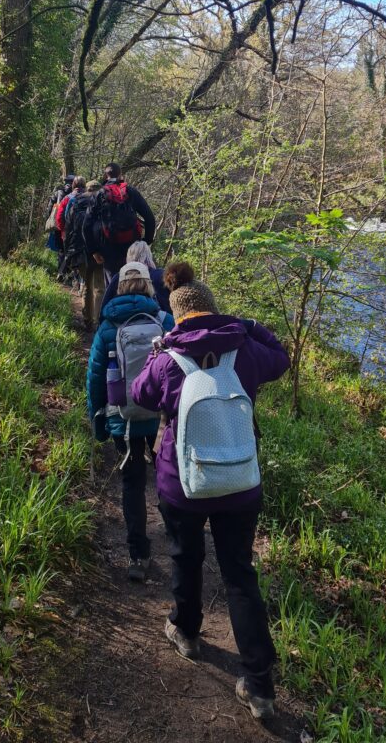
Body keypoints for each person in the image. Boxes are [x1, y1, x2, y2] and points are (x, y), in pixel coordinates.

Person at [132, 261, 290, 720]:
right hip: (240, 482)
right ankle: (259, 685)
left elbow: (142, 394)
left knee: (185, 555)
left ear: (177, 316)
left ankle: (186, 630)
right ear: (216, 310)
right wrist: (251, 325)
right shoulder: (245, 351)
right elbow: (279, 356)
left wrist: (157, 353)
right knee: (240, 574)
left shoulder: (167, 358)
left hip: (182, 482)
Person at [86, 262, 174, 581]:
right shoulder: (165, 321)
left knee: (132, 484)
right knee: (166, 475)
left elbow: (96, 378)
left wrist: (98, 423)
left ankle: (139, 555)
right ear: (149, 287)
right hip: (162, 419)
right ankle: (176, 534)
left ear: (120, 287)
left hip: (124, 420)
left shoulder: (108, 327)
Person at [85, 162, 156, 284]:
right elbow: (150, 218)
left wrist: (94, 250)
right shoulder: (131, 192)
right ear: (120, 175)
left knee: (112, 285)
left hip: (108, 248)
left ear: (105, 175)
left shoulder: (98, 195)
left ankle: (113, 301)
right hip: (132, 246)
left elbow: (86, 225)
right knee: (132, 283)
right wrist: (146, 241)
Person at [64, 179, 104, 329]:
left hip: (80, 250)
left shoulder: (76, 202)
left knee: (87, 285)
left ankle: (87, 320)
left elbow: (69, 228)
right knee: (100, 287)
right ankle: (97, 321)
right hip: (100, 251)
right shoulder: (104, 202)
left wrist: (68, 250)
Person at [100, 240, 170, 316]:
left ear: (128, 257)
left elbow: (105, 307)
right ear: (149, 256)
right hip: (161, 322)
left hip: (123, 322)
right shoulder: (162, 275)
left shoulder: (119, 277)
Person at [56, 176, 86, 283]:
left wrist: (62, 229)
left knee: (67, 253)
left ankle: (63, 275)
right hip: (84, 232)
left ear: (73, 185)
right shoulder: (88, 198)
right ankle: (78, 279)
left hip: (68, 231)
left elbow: (59, 216)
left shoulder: (67, 198)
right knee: (82, 255)